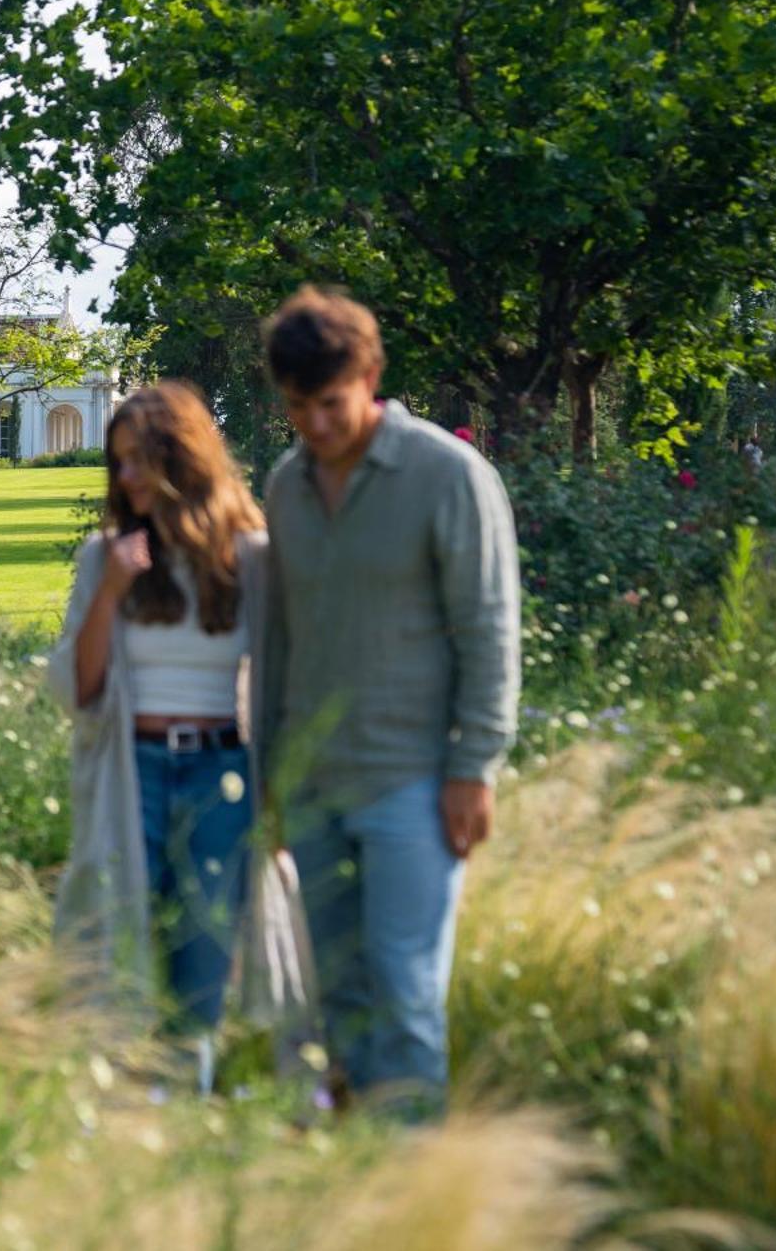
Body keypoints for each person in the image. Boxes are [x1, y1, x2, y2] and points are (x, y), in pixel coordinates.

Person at [255, 287, 520, 1118]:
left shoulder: (448, 474)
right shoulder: (286, 488)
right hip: (312, 787)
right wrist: (269, 776)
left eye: (330, 404)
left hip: (415, 780)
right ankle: (364, 1176)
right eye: (298, 407)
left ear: (370, 375)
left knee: (405, 992)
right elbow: (277, 646)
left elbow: (489, 629)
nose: (316, 425)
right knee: (341, 995)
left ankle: (416, 1193)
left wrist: (474, 767)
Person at [46, 382, 311, 1095]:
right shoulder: (106, 558)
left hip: (223, 776)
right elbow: (80, 688)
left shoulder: (251, 559)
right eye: (119, 462)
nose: (125, 477)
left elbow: (286, 682)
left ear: (181, 459)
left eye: (139, 460)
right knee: (121, 950)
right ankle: (124, 1111)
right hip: (133, 770)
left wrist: (281, 799)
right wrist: (110, 594)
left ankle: (183, 1109)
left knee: (201, 958)